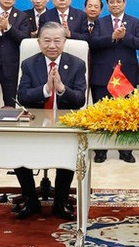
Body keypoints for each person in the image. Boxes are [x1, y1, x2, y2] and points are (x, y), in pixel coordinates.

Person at [14, 22, 87, 220]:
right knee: (17, 152)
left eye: (57, 40)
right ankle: (31, 201)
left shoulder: (77, 64)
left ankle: (60, 202)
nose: (52, 45)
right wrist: (46, 89)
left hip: (65, 124)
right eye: (47, 41)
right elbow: (22, 96)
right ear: (39, 43)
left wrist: (62, 88)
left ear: (64, 42)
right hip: (35, 123)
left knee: (70, 154)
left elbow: (80, 99)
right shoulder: (29, 64)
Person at [88, 0, 139, 163]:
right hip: (102, 75)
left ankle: (125, 151)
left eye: (118, 1)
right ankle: (100, 151)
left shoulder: (134, 22)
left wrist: (125, 36)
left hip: (126, 76)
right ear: (107, 5)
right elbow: (93, 43)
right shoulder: (100, 22)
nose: (115, 4)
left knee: (126, 114)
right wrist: (112, 37)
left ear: (124, 3)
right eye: (111, 2)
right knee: (101, 114)